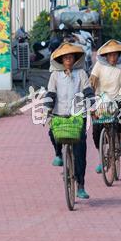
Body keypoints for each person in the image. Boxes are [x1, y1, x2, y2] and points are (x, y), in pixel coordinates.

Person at [46, 42, 93, 199]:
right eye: (65, 58)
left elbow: (87, 90)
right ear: (61, 60)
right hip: (59, 113)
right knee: (52, 132)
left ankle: (80, 185)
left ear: (75, 59)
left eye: (71, 57)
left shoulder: (81, 74)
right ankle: (59, 154)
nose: (68, 60)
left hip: (78, 115)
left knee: (80, 152)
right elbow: (51, 93)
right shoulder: (55, 76)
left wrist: (92, 102)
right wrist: (48, 109)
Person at [90, 39, 121, 174]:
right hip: (101, 99)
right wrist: (89, 97)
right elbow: (92, 81)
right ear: (105, 56)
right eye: (110, 55)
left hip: (118, 98)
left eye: (115, 55)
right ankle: (101, 157)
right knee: (96, 130)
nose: (113, 57)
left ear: (119, 55)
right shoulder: (99, 65)